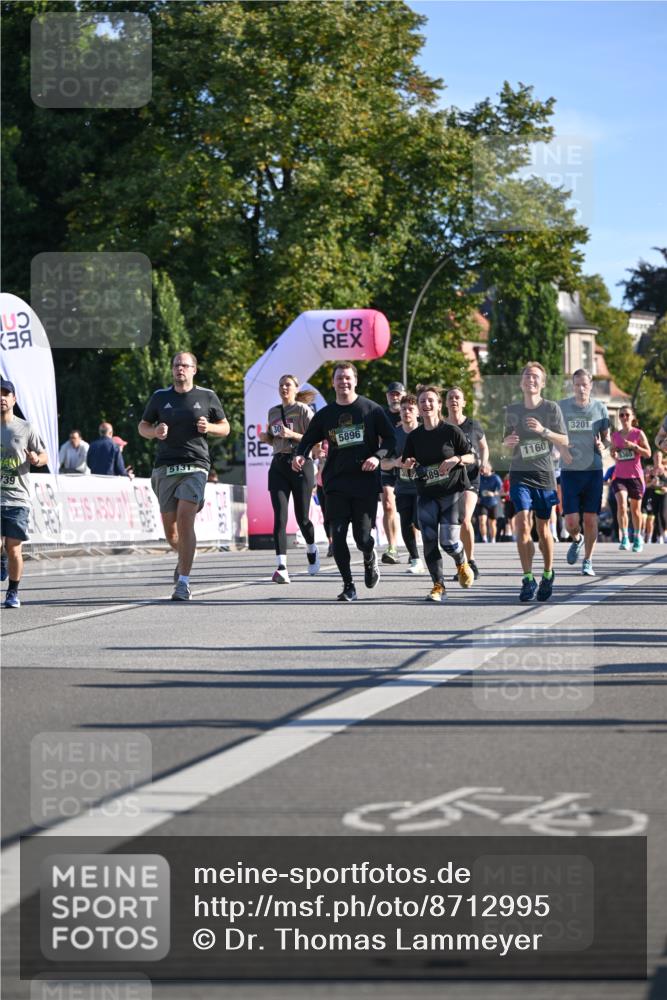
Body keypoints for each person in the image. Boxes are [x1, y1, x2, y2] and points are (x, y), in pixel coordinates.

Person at [293, 361, 396, 602]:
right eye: (339, 378)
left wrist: (377, 457)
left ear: (355, 381)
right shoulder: (326, 415)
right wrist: (300, 454)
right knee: (338, 536)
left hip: (365, 483)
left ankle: (369, 556)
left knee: (362, 538)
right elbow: (307, 440)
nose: (344, 382)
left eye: (348, 378)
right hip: (336, 483)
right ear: (333, 382)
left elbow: (391, 439)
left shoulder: (371, 410)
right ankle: (349, 585)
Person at [139, 351, 230, 600]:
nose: (180, 369)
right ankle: (186, 554)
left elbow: (225, 427)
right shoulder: (160, 397)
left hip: (195, 465)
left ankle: (183, 582)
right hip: (165, 466)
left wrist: (209, 427)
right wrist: (155, 432)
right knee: (171, 533)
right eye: (176, 365)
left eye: (185, 365)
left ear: (194, 370)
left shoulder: (207, 396)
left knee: (184, 518)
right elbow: (142, 426)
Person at [402, 385, 475, 602]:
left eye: (431, 400)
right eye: (422, 401)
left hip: (452, 492)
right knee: (429, 539)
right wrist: (408, 465)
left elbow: (471, 456)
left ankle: (461, 560)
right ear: (419, 407)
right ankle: (438, 585)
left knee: (448, 542)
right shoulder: (414, 436)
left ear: (439, 405)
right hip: (426, 492)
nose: (426, 404)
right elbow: (407, 463)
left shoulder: (451, 431)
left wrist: (456, 459)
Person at [503, 362, 568, 602]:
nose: (531, 379)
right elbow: (506, 441)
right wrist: (507, 442)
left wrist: (543, 431)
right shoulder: (512, 410)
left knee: (543, 529)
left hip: (543, 476)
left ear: (542, 383)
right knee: (522, 524)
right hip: (520, 475)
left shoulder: (551, 409)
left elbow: (564, 440)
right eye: (527, 376)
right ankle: (527, 578)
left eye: (535, 376)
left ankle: (548, 573)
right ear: (521, 382)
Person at [259, 374, 319, 584]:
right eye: (281, 385)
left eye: (288, 385)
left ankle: (311, 549)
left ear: (296, 388)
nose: (284, 388)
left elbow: (314, 438)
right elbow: (275, 439)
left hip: (301, 463)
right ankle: (282, 566)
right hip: (279, 465)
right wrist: (266, 438)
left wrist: (292, 434)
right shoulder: (273, 412)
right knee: (280, 517)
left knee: (302, 518)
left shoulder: (303, 410)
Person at [557, 369, 610, 577]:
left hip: (593, 470)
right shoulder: (562, 407)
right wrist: (562, 449)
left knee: (590, 519)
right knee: (571, 522)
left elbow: (607, 438)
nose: (581, 389)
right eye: (577, 385)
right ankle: (577, 539)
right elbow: (553, 435)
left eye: (584, 385)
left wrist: (603, 446)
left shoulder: (600, 408)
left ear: (591, 385)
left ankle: (588, 560)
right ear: (573, 385)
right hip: (570, 470)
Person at [0, 377, 48, 607]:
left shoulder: (26, 428)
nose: (1, 398)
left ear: (13, 399)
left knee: (14, 549)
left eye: (5, 394)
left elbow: (44, 455)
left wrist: (36, 459)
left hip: (18, 498)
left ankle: (13, 592)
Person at [445, 385, 488, 579]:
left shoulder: (473, 425)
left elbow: (484, 447)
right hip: (448, 479)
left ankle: (471, 562)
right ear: (445, 403)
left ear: (463, 402)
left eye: (457, 397)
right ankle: (461, 563)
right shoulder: (441, 426)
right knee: (452, 523)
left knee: (464, 518)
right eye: (450, 398)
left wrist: (484, 462)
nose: (454, 400)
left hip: (470, 476)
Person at [381, 393, 424, 574]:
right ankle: (415, 560)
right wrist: (395, 463)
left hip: (424, 487)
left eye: (411, 409)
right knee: (406, 522)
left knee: (419, 522)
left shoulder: (426, 432)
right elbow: (383, 463)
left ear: (418, 413)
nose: (407, 412)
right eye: (404, 409)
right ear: (399, 413)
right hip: (403, 486)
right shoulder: (394, 436)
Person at [610, 405, 651, 552]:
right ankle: (625, 537)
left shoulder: (638, 434)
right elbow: (613, 453)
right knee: (621, 505)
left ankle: (638, 537)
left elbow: (648, 453)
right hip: (619, 476)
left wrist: (634, 446)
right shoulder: (615, 436)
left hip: (635, 477)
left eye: (627, 414)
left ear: (632, 417)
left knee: (635, 510)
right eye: (621, 415)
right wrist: (614, 454)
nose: (624, 417)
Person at [380, 380, 405, 565]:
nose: (395, 397)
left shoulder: (412, 411)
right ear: (387, 397)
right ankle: (392, 547)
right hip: (387, 463)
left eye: (398, 394)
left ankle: (413, 548)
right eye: (391, 394)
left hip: (407, 465)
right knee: (388, 505)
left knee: (409, 509)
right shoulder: (380, 414)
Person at [477, 463, 503, 543]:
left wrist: (493, 493)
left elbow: (501, 490)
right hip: (482, 502)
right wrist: (477, 496)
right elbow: (475, 487)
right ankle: (484, 539)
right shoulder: (479, 477)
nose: (483, 469)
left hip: (493, 502)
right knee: (482, 521)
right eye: (482, 467)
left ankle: (493, 540)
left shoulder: (495, 477)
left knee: (492, 523)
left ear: (490, 468)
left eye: (485, 467)